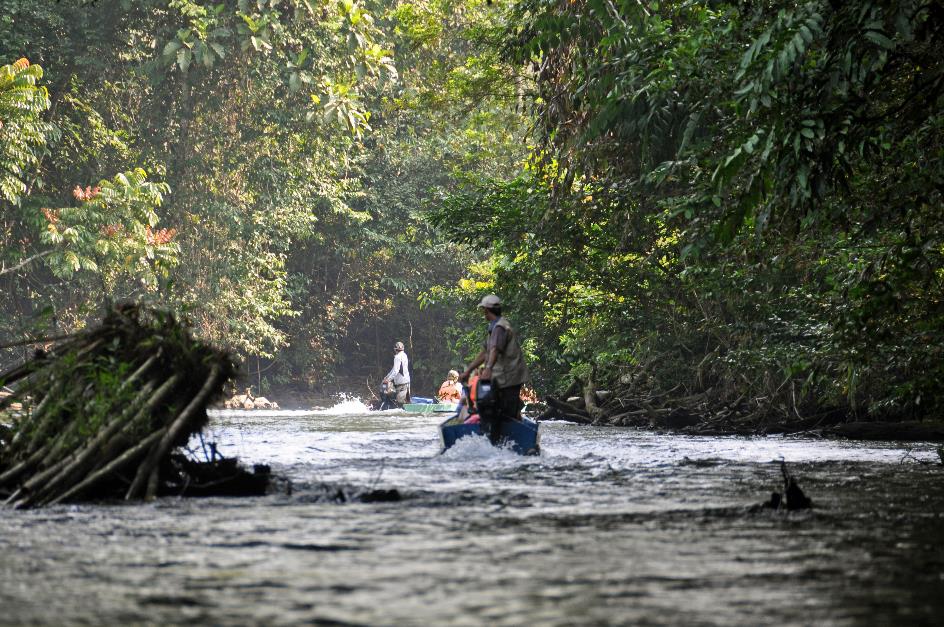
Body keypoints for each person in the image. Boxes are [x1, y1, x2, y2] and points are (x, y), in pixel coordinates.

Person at [459, 294, 529, 445]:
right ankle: (499, 439)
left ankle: (506, 441)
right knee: (493, 407)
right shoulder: (494, 327)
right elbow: (486, 352)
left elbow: (495, 350)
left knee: (505, 411)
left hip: (509, 377)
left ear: (486, 310)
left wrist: (488, 368)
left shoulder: (500, 327)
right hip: (503, 378)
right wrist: (469, 370)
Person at [382, 341, 411, 407]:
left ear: (395, 349)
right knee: (407, 401)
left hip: (402, 384)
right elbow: (394, 369)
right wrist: (387, 377)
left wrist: (388, 379)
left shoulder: (397, 357)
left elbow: (395, 371)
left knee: (400, 404)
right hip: (406, 382)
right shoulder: (404, 355)